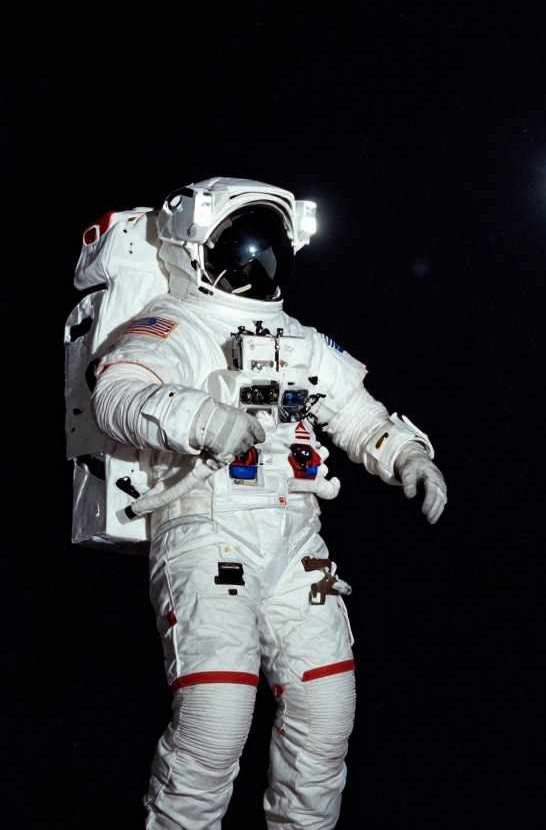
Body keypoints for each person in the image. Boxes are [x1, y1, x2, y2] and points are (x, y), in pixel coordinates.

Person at [90, 177, 447, 829]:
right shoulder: (174, 323)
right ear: (197, 247)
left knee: (326, 713)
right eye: (241, 249)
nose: (256, 266)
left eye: (269, 249)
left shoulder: (301, 340)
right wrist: (200, 416)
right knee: (215, 719)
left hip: (296, 542)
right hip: (207, 529)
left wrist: (407, 455)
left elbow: (356, 413)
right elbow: (117, 394)